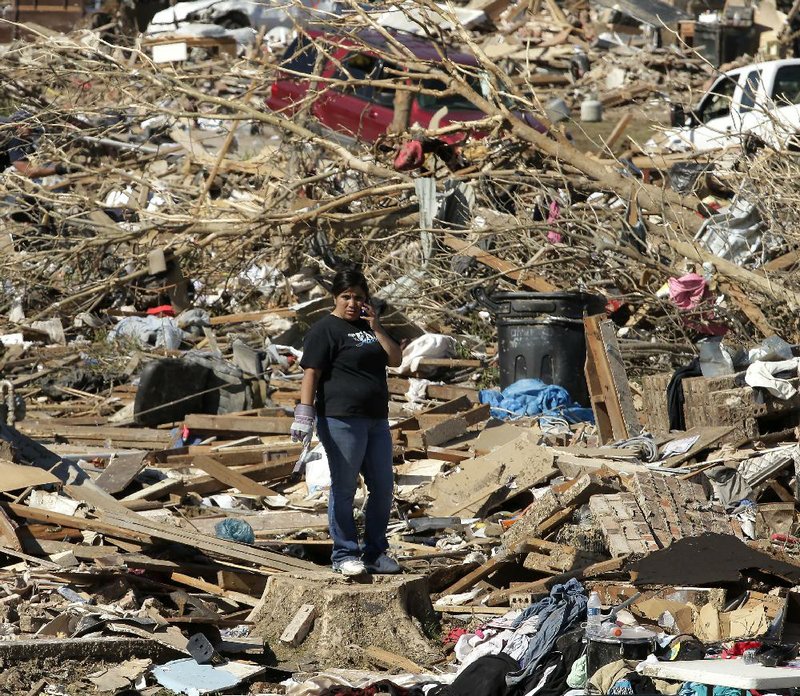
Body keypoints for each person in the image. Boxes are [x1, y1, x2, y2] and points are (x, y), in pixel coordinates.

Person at [291, 268, 403, 576]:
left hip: (376, 420)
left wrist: (377, 325)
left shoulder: (369, 329)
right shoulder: (324, 330)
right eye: (346, 297)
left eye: (358, 297)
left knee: (382, 486)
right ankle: (344, 554)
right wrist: (305, 410)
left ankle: (375, 553)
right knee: (344, 487)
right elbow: (311, 372)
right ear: (335, 297)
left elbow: (395, 359)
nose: (352, 303)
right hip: (340, 418)